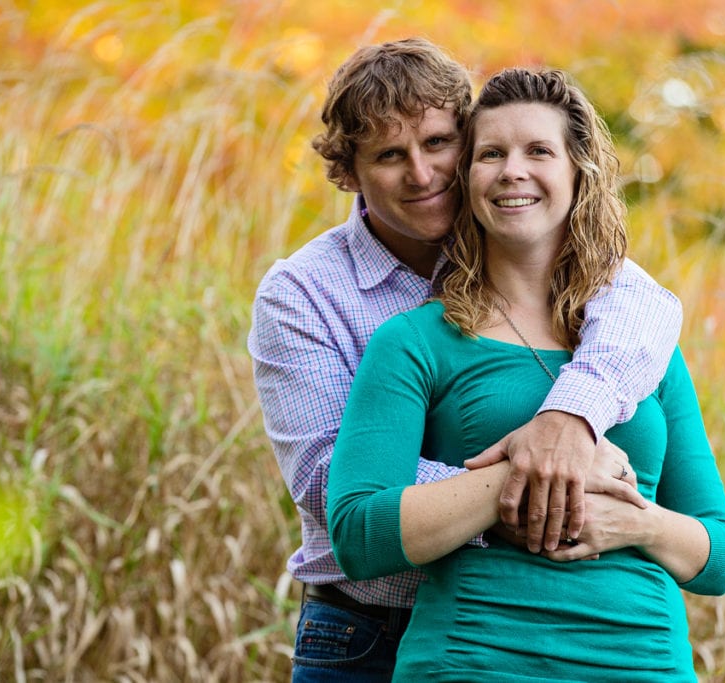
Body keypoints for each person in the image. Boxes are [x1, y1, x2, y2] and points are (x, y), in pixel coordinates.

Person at [248, 39, 683, 680]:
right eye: (390, 155)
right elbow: (328, 485)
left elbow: (647, 307)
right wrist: (545, 480)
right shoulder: (304, 293)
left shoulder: (517, 235)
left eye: (438, 144)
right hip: (366, 631)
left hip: (509, 628)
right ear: (349, 171)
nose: (421, 175)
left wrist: (570, 419)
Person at [326, 66, 725, 681]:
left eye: (539, 151)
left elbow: (720, 556)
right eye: (490, 153)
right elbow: (359, 535)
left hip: (645, 663)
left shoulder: (643, 341)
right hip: (475, 658)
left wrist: (637, 521)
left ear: (579, 171)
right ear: (467, 180)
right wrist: (528, 473)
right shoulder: (416, 341)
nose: (512, 170)